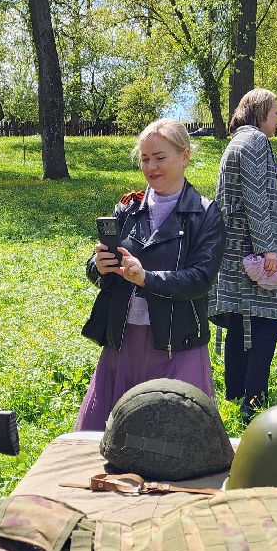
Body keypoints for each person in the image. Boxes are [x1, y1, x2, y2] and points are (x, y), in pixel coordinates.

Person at [77, 119, 225, 429]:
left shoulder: (206, 213)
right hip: (124, 343)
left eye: (160, 157)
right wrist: (99, 266)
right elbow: (100, 267)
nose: (151, 167)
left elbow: (201, 279)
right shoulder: (127, 209)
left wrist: (147, 278)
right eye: (145, 158)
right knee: (111, 441)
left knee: (176, 442)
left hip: (178, 346)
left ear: (184, 156)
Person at [210, 88, 277, 423]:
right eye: (275, 112)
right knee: (265, 326)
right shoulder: (256, 142)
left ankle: (235, 394)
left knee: (244, 323)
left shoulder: (237, 143)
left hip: (237, 249)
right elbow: (256, 198)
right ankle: (254, 400)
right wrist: (267, 248)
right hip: (253, 251)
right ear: (259, 113)